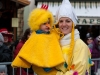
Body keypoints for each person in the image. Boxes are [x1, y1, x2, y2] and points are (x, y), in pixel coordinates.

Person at [11, 4, 64, 75]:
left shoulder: (52, 34)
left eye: (48, 23)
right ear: (38, 23)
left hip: (55, 65)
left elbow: (58, 35)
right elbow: (26, 50)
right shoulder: (34, 36)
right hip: (40, 66)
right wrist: (19, 61)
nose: (47, 25)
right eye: (44, 23)